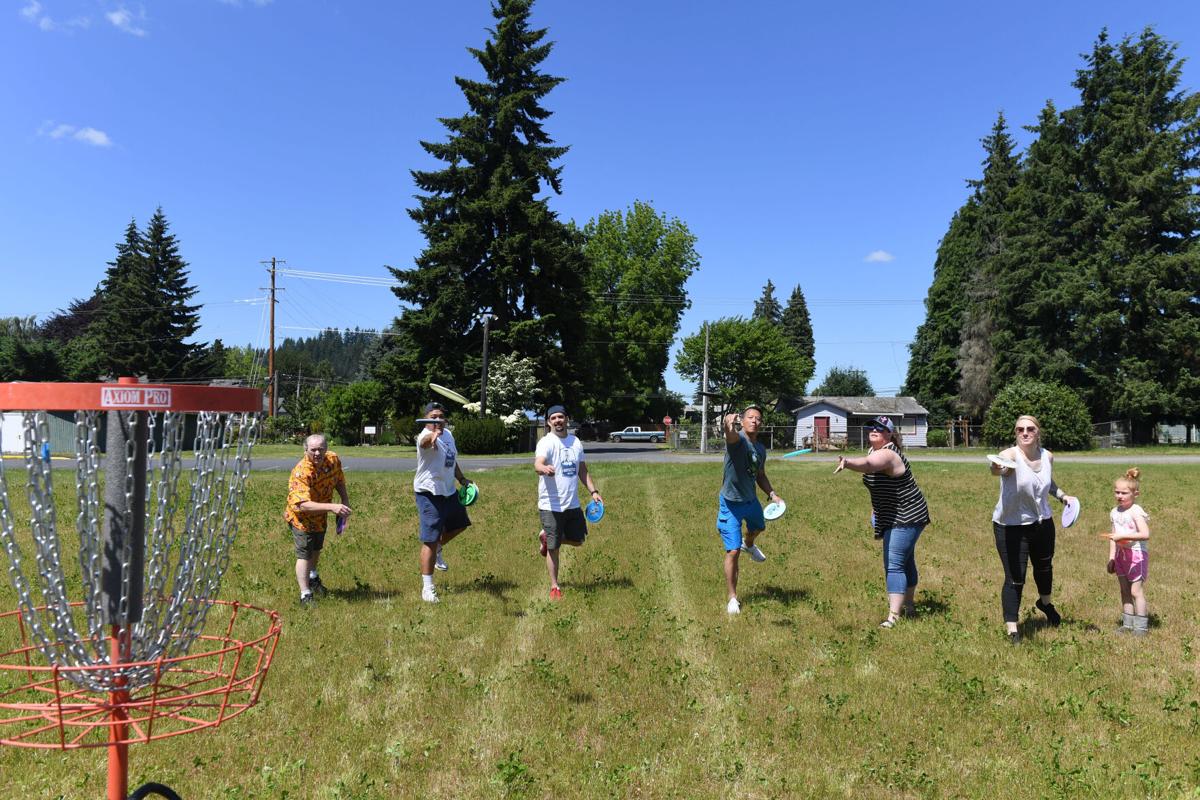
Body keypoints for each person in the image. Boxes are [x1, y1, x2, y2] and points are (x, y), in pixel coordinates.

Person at [834, 416, 930, 628]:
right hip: (890, 513)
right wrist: (875, 510)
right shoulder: (874, 451)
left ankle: (893, 617)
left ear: (889, 434)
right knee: (905, 560)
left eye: (880, 427)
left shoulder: (888, 454)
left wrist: (848, 462)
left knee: (894, 562)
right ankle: (909, 605)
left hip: (908, 514)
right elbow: (877, 485)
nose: (874, 430)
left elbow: (868, 466)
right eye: (872, 427)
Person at [989, 414, 1077, 644]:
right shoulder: (1009, 456)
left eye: (1030, 429)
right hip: (1011, 526)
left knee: (1044, 567)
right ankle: (1012, 629)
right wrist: (997, 465)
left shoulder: (1047, 456)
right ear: (1015, 433)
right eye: (1019, 430)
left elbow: (1047, 482)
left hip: (1043, 523)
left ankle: (1044, 603)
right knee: (1015, 578)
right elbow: (998, 467)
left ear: (1038, 432)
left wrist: (1062, 496)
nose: (1025, 433)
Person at [716, 405, 783, 615]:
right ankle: (732, 598)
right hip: (730, 504)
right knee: (732, 551)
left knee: (759, 527)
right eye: (751, 417)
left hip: (750, 500)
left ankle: (749, 544)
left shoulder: (761, 449)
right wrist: (728, 424)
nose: (755, 421)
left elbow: (760, 474)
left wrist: (772, 494)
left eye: (758, 418)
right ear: (743, 421)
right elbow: (730, 435)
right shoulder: (739, 441)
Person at [534, 405, 602, 601]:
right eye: (553, 418)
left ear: (567, 419)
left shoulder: (575, 442)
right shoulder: (546, 442)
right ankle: (555, 586)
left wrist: (593, 492)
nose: (557, 421)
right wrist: (543, 468)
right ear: (548, 422)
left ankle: (547, 537)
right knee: (554, 549)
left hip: (572, 503)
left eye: (560, 417)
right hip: (551, 505)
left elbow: (582, 470)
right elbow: (538, 463)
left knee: (579, 540)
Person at [414, 402, 473, 603]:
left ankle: (439, 547)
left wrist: (462, 479)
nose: (438, 420)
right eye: (433, 417)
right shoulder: (425, 435)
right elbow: (425, 444)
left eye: (440, 416)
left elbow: (451, 458)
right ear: (426, 419)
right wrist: (434, 435)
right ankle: (428, 588)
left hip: (448, 491)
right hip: (429, 493)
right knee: (430, 539)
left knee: (461, 524)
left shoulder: (448, 435)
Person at [284, 433, 351, 608]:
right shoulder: (301, 472)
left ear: (326, 449)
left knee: (316, 549)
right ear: (305, 450)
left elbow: (339, 480)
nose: (317, 453)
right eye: (313, 450)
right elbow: (302, 505)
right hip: (301, 518)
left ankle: (313, 578)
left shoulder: (333, 460)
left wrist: (344, 501)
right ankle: (305, 594)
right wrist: (332, 507)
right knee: (305, 553)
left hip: (320, 515)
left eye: (321, 449)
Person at [1104, 467, 1151, 637]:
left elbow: (1145, 534)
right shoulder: (1114, 512)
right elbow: (1113, 537)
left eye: (1124, 493)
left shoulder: (1136, 511)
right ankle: (1127, 624)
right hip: (1120, 556)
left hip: (1136, 556)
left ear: (1135, 494)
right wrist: (1111, 558)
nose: (1119, 496)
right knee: (1124, 590)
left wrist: (1122, 536)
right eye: (1117, 492)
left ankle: (1141, 627)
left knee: (1135, 591)